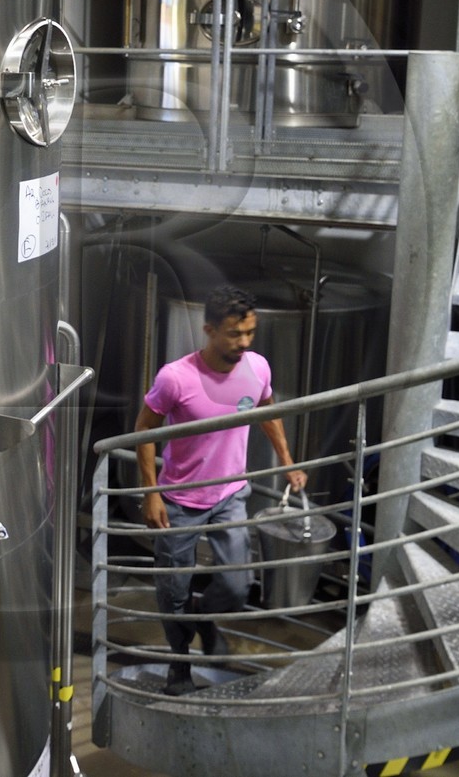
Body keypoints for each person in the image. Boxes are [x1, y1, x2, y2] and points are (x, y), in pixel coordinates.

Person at [134, 284, 307, 695]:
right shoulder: (176, 377)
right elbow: (144, 430)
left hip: (231, 494)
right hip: (180, 500)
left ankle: (204, 617)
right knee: (172, 590)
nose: (244, 342)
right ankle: (179, 665)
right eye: (234, 333)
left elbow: (267, 410)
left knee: (236, 586)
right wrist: (151, 493)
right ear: (209, 330)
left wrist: (287, 461)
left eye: (250, 332)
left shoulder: (257, 367)